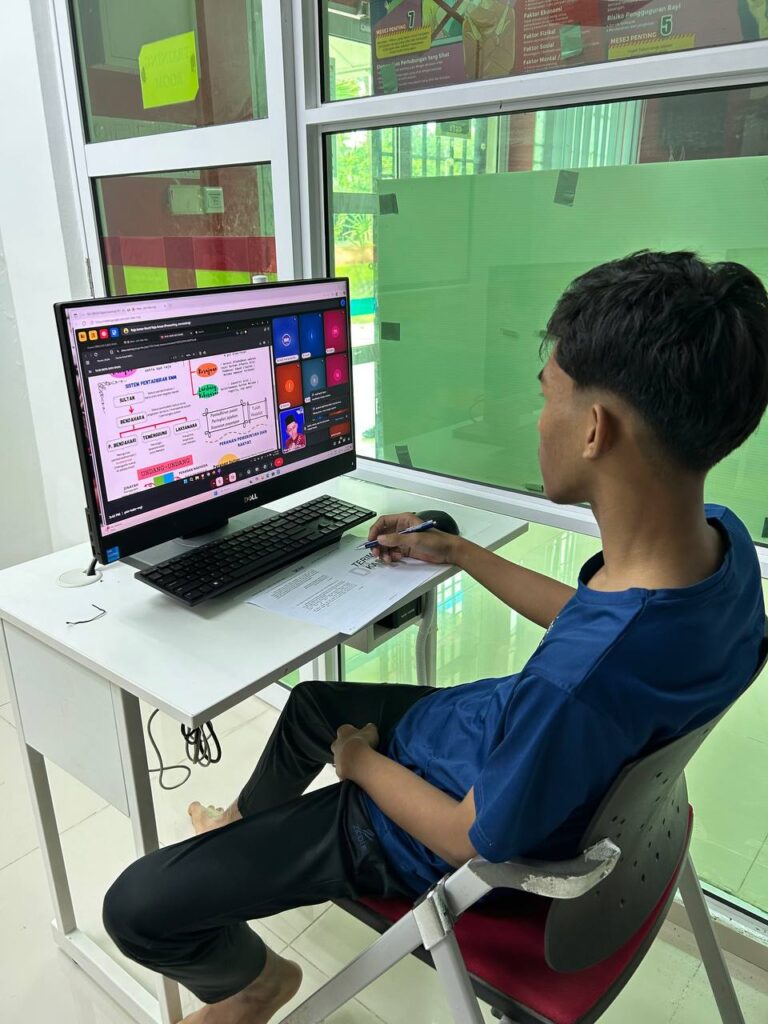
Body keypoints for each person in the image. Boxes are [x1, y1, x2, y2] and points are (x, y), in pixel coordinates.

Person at [102, 252, 768, 1024]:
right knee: (314, 703)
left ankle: (255, 983)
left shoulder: (575, 685)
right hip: (491, 745)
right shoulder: (719, 546)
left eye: (546, 395)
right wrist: (457, 551)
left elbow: (465, 839)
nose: (538, 418)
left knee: (136, 906)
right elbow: (593, 622)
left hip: (416, 830)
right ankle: (234, 834)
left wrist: (357, 763)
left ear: (595, 429)